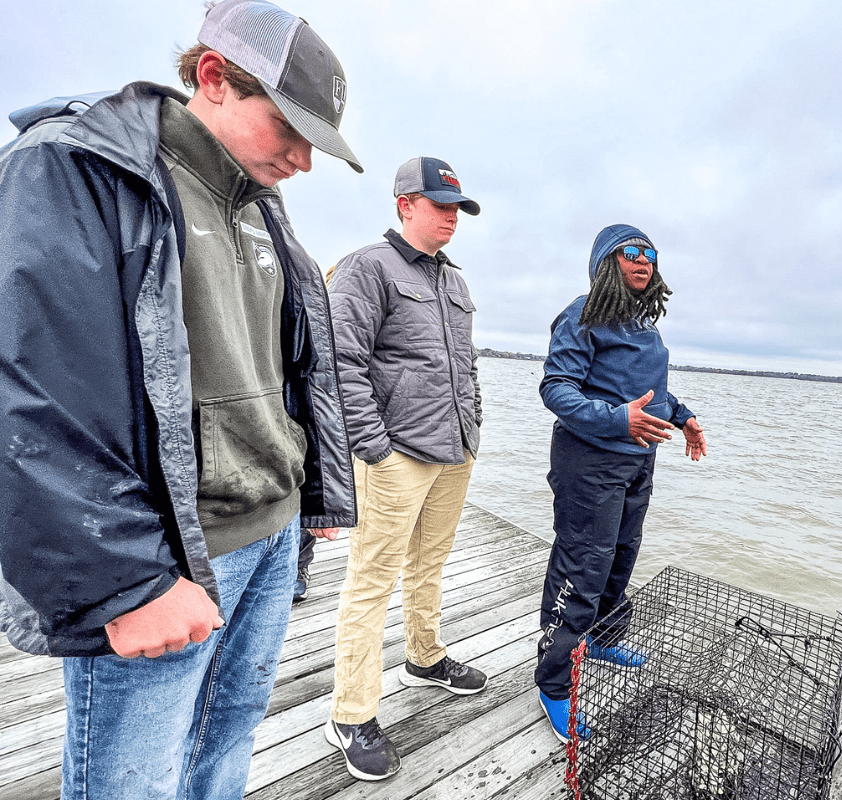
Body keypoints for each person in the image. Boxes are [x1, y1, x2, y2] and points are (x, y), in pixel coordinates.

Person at [0, 2, 360, 797]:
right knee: (130, 781)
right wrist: (124, 582)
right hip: (164, 558)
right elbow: (30, 391)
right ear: (213, 77)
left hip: (271, 539)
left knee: (226, 746)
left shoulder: (266, 206)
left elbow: (291, 371)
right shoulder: (73, 165)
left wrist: (314, 492)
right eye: (289, 126)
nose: (304, 159)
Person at [325, 156, 487, 781]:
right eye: (440, 204)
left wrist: (472, 424)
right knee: (372, 578)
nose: (452, 216)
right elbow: (342, 364)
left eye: (457, 208)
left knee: (431, 563)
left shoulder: (456, 281)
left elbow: (465, 365)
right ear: (405, 204)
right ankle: (352, 712)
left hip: (455, 452)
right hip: (395, 456)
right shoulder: (369, 268)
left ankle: (425, 657)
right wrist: (374, 447)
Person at [535, 224, 708, 741]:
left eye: (651, 254)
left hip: (638, 460)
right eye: (631, 253)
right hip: (588, 460)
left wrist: (683, 417)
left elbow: (650, 394)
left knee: (622, 552)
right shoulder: (582, 315)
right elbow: (556, 388)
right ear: (604, 263)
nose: (644, 261)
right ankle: (553, 684)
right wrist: (617, 421)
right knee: (583, 563)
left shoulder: (644, 326)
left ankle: (607, 636)